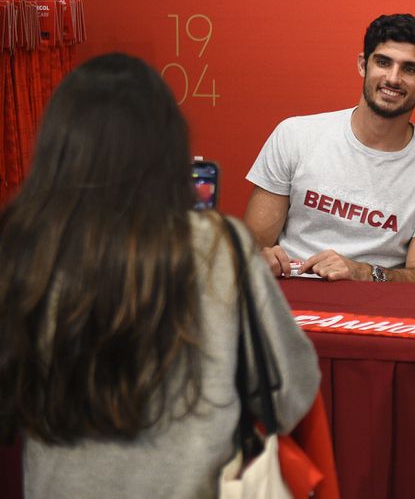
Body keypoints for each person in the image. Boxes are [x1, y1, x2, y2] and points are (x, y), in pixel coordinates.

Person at [0, 54, 319, 497]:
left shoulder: (23, 245)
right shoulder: (218, 247)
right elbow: (290, 392)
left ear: (58, 146)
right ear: (168, 147)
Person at [245, 13, 415, 283]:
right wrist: (261, 258)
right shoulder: (295, 135)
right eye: (383, 62)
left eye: (409, 69)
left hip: (374, 308)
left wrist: (362, 272)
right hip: (287, 297)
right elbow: (253, 248)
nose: (393, 78)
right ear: (363, 65)